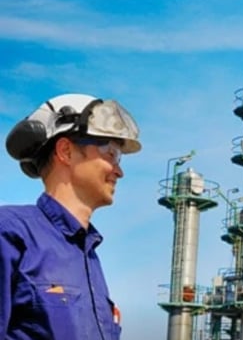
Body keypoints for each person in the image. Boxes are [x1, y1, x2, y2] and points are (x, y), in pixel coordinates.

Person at [1, 93, 142, 339]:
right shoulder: (10, 233)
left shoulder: (88, 256)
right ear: (66, 151)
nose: (119, 171)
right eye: (111, 154)